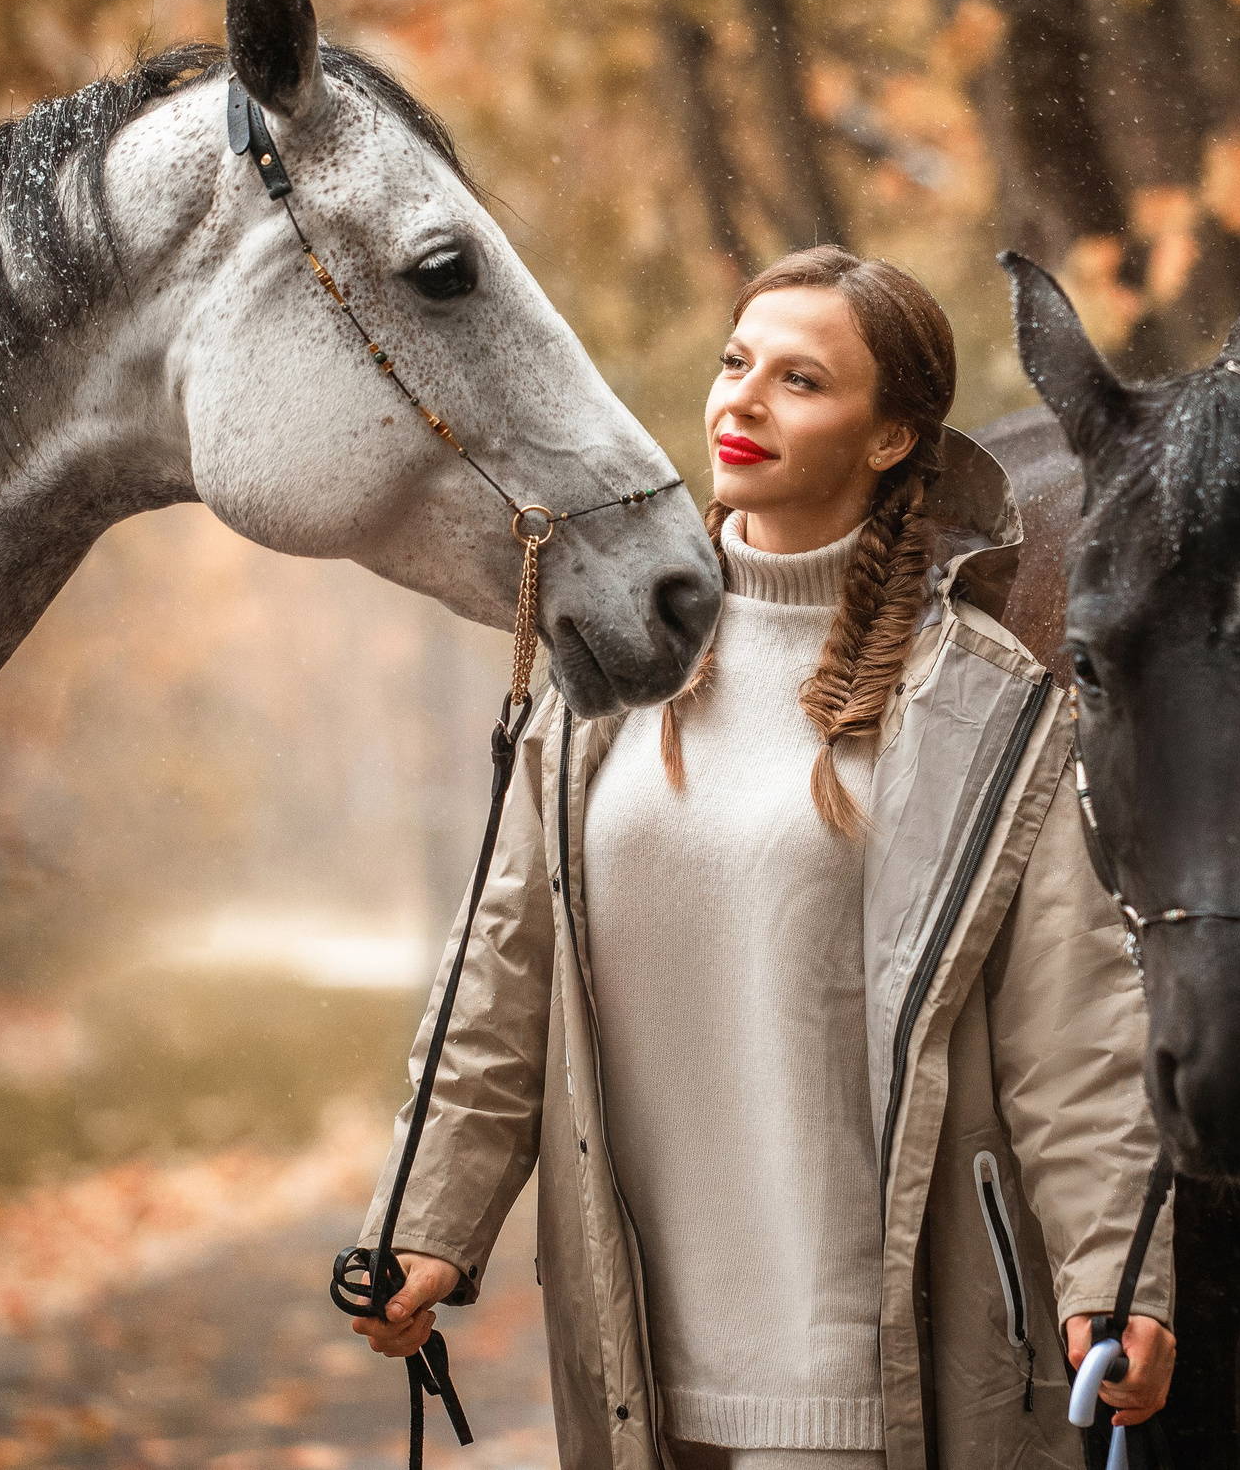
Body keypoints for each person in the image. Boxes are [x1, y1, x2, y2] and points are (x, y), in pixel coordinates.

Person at [351, 247, 1175, 1470]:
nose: (741, 399)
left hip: (863, 1372)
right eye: (736, 362)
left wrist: (1117, 1271)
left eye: (800, 380)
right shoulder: (609, 673)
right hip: (634, 1352)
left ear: (891, 437)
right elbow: (499, 979)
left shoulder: (983, 708)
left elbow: (1077, 1033)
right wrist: (426, 1219)